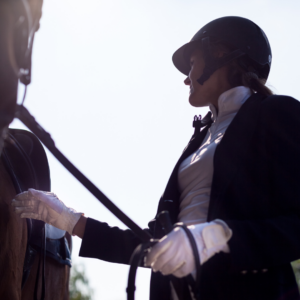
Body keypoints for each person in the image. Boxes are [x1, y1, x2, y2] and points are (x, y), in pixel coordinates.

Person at [11, 16, 300, 300]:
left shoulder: (277, 112)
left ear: (220, 53)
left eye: (191, 64)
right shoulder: (199, 140)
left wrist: (216, 237)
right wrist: (69, 219)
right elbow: (153, 246)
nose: (186, 78)